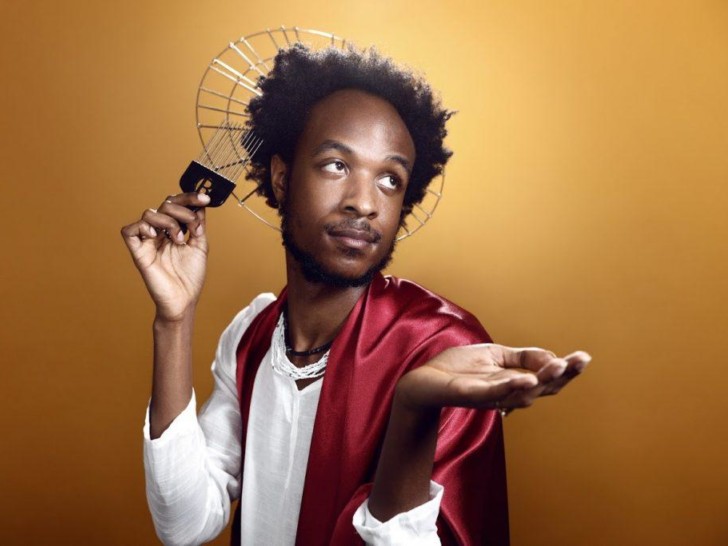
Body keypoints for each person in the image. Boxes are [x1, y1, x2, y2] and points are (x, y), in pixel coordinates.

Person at [121, 44, 591, 546]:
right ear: (282, 178)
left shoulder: (442, 348)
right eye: (335, 165)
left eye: (390, 180)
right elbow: (185, 524)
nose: (364, 203)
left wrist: (413, 408)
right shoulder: (254, 335)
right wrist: (173, 320)